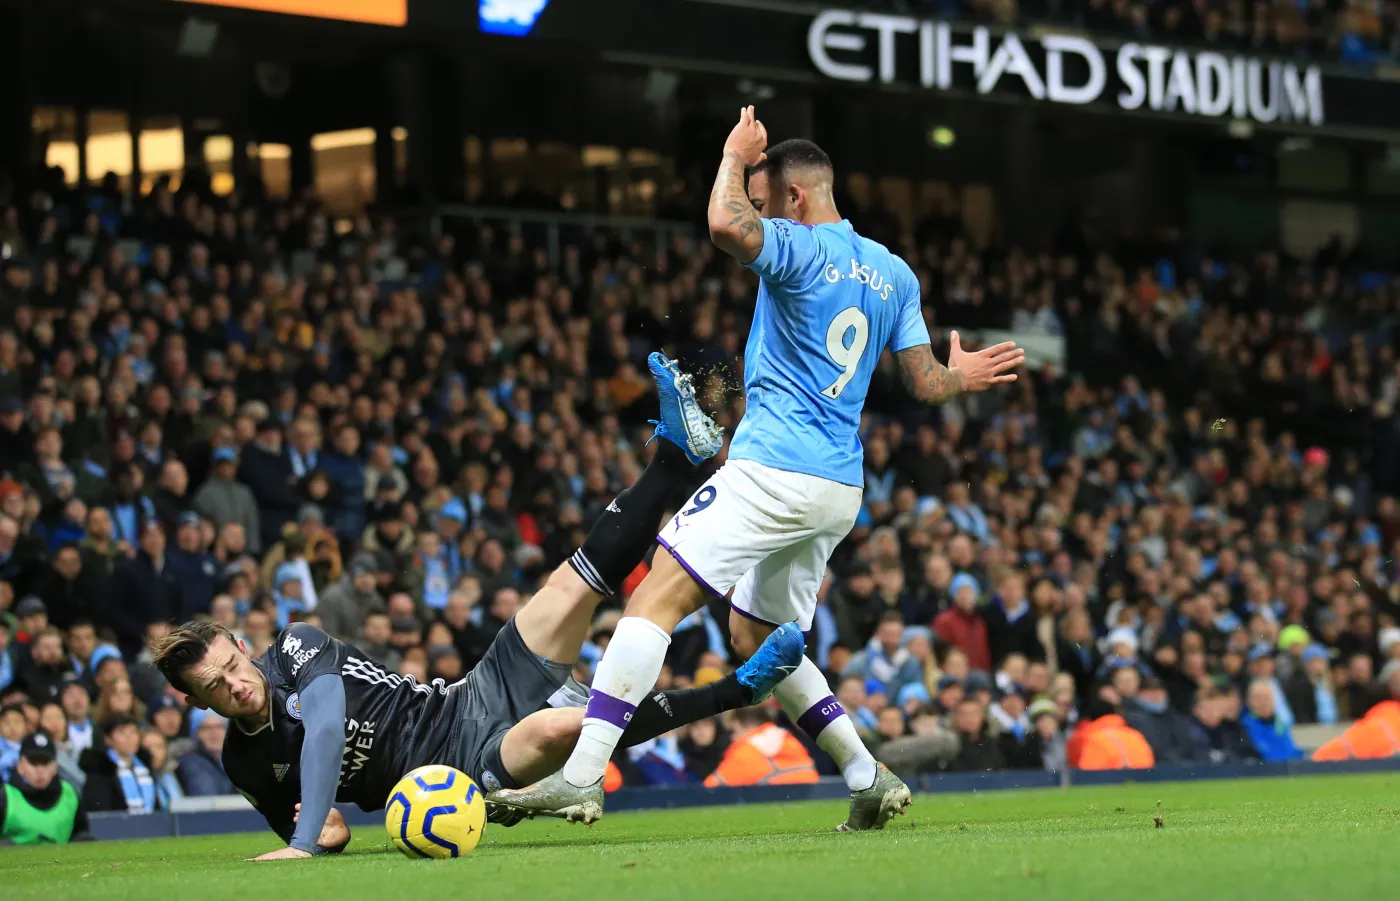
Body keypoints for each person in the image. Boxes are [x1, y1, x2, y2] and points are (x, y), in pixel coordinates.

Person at [509, 109, 1024, 831]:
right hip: (837, 488)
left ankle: (581, 775)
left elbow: (725, 227)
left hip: (773, 468)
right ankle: (867, 775)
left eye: (762, 192)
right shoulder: (891, 271)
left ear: (795, 199)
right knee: (757, 637)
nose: (752, 202)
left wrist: (729, 154)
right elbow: (924, 383)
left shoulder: (801, 248)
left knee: (653, 599)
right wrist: (959, 377)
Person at [148, 381, 806, 860]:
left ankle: (675, 455)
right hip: (453, 774)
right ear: (197, 701)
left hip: (466, 696)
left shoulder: (295, 645)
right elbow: (325, 833)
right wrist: (321, 837)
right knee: (568, 724)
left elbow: (322, 729)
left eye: (231, 664)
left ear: (240, 644)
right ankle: (738, 690)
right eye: (214, 686)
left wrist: (301, 837)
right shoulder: (245, 761)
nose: (233, 682)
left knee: (567, 588)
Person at [0, 732, 92, 845]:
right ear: (20, 766)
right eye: (33, 763)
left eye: (45, 763)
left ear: (55, 766)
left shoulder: (70, 795)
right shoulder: (5, 798)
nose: (40, 771)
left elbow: (81, 834)